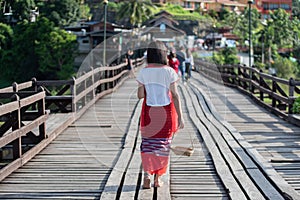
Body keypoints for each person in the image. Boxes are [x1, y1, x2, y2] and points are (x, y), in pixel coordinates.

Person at [136, 41, 184, 189]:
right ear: (164, 54)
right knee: (163, 145)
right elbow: (175, 95)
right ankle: (157, 179)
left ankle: (146, 175)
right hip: (166, 112)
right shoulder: (169, 71)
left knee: (148, 143)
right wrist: (181, 117)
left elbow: (140, 95)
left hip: (149, 111)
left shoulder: (144, 71)